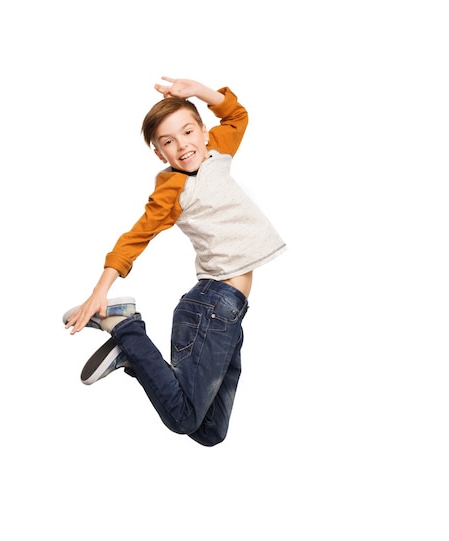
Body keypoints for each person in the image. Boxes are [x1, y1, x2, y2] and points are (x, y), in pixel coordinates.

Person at [63, 77, 286, 446]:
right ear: (159, 153)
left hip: (231, 311)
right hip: (211, 306)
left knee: (210, 432)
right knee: (183, 419)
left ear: (202, 131)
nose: (183, 145)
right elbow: (136, 237)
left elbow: (237, 115)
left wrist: (198, 90)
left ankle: (134, 357)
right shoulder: (172, 189)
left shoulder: (217, 151)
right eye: (168, 142)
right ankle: (126, 328)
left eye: (187, 132)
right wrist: (99, 291)